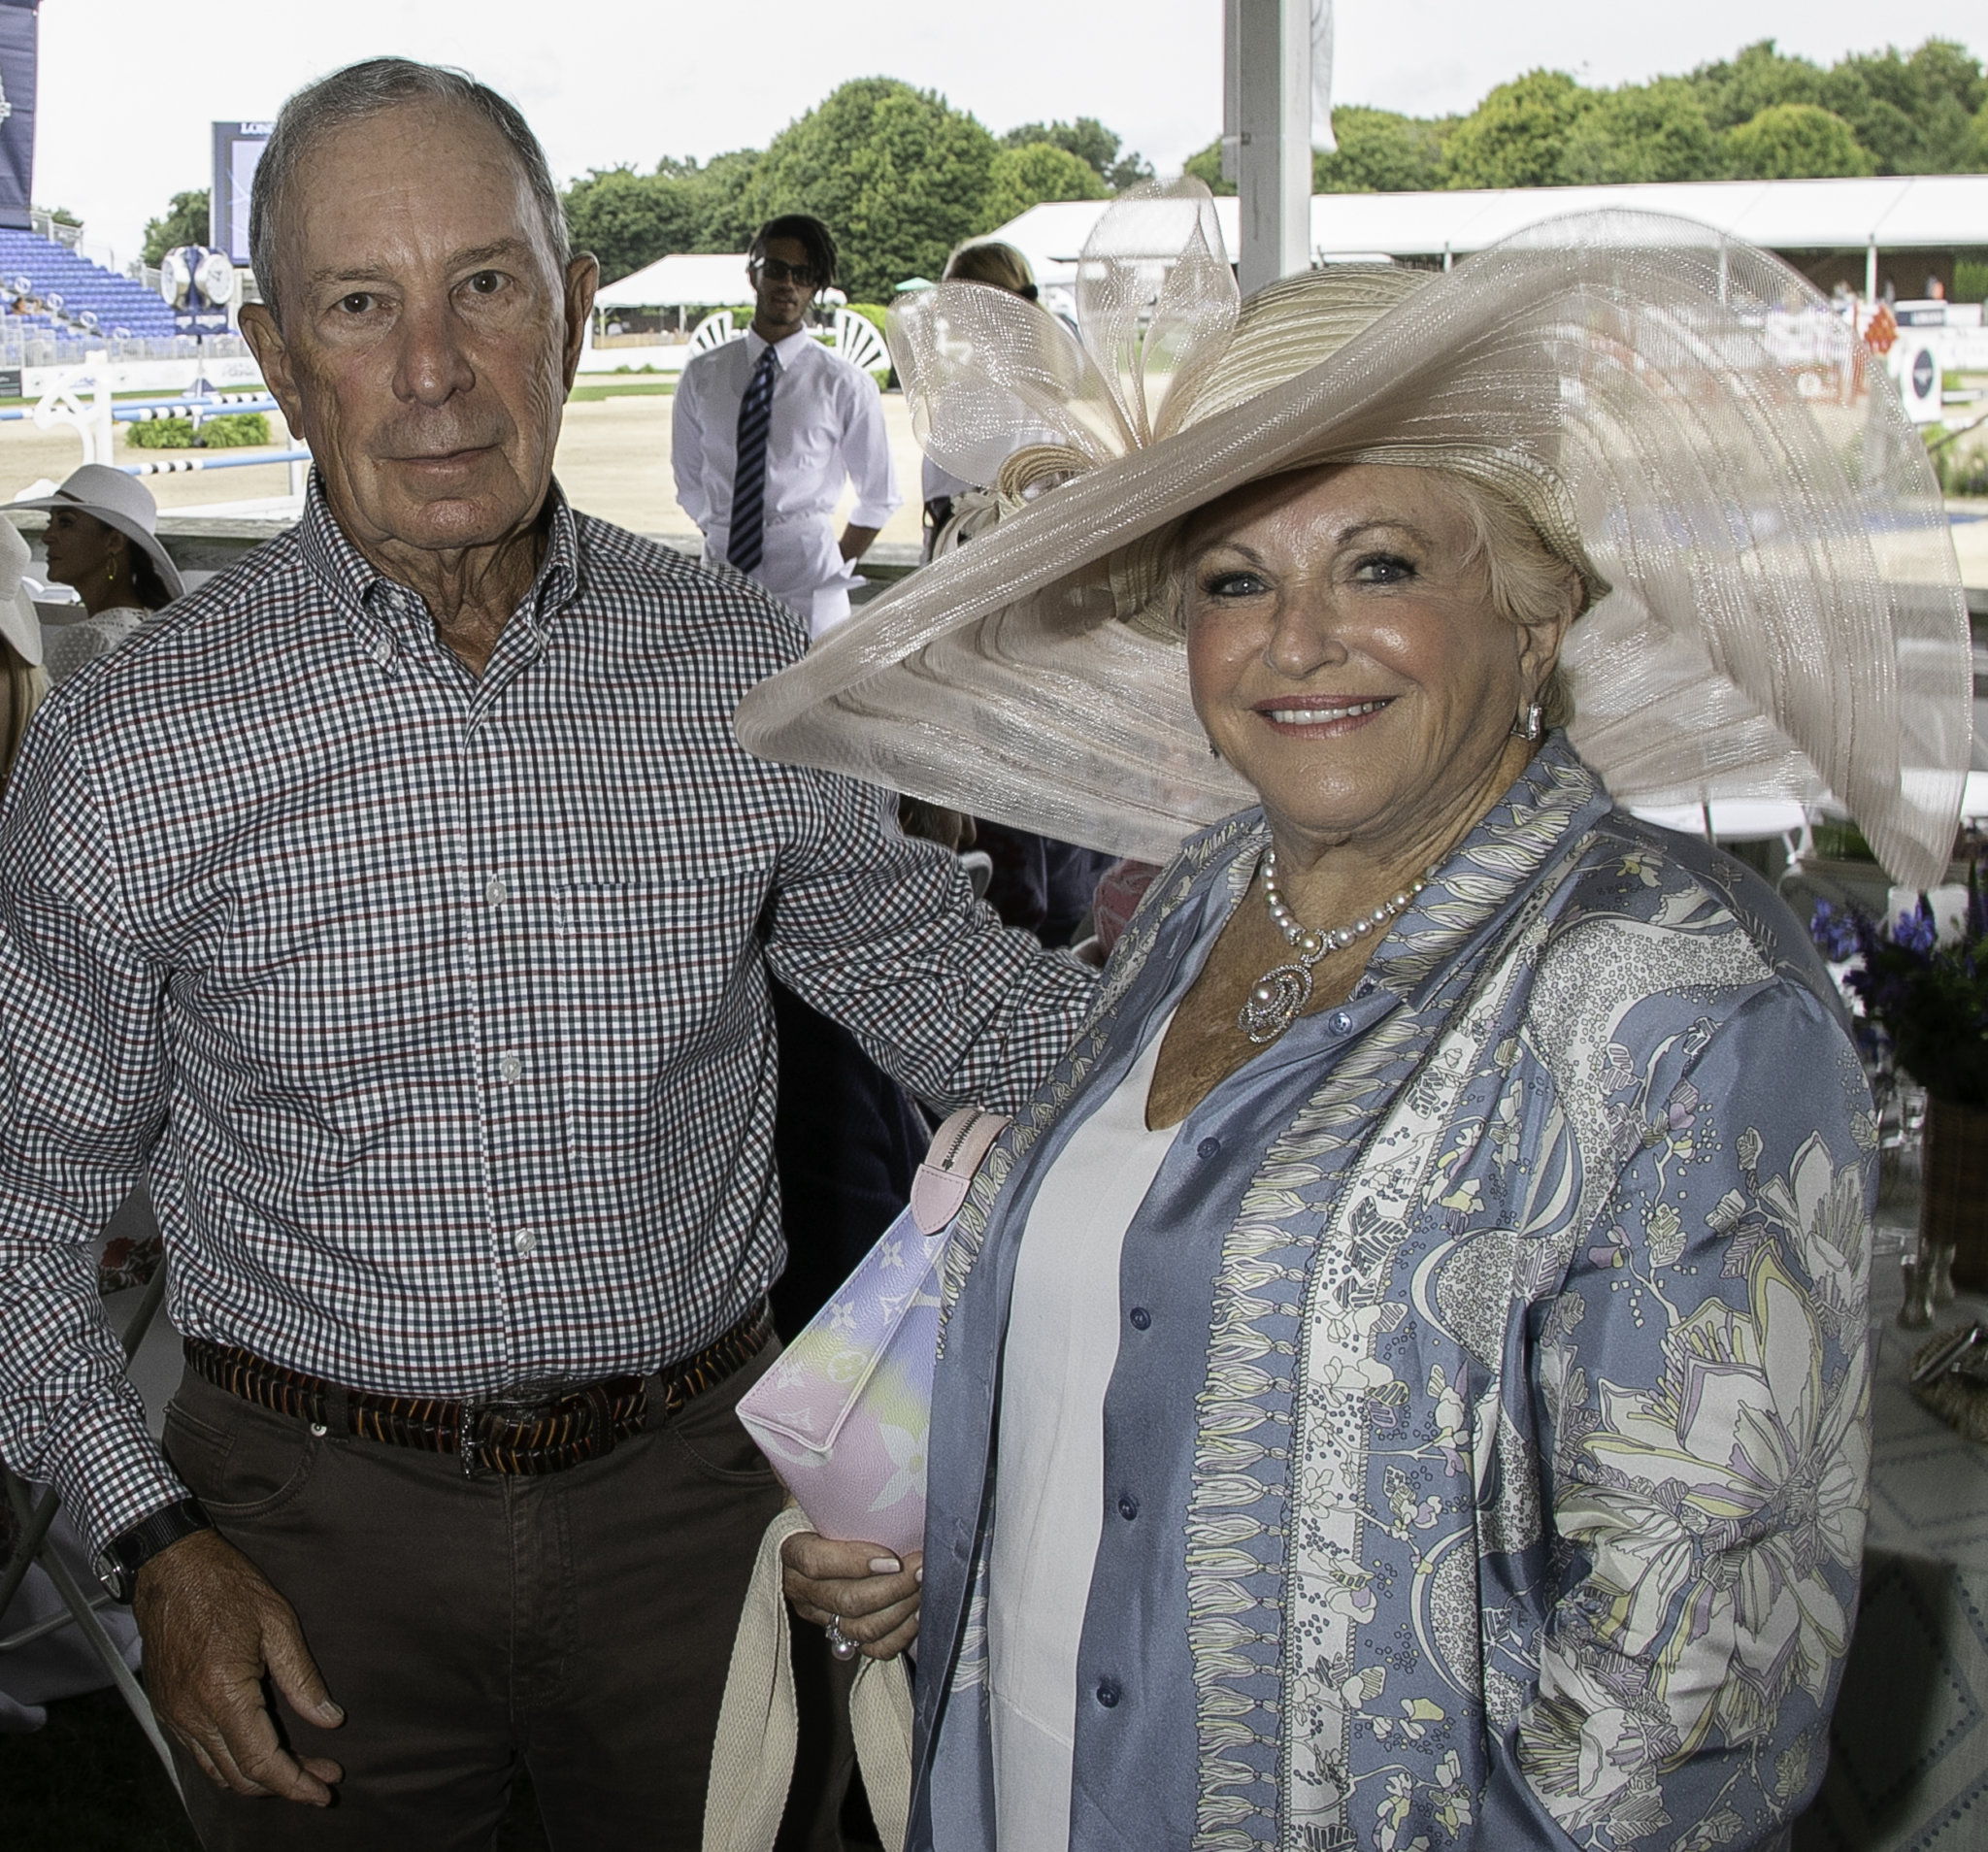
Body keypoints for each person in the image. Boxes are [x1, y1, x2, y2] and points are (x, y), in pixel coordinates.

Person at [742, 189, 1971, 1848]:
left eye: (1379, 563)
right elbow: (1144, 1352)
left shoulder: (1669, 1000)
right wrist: (932, 1530)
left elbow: (1684, 1728)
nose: (1296, 638)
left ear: (1535, 609)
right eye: (1235, 577)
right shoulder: (1200, 896)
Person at [0, 58, 1093, 1851]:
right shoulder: (134, 745)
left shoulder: (733, 664)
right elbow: (22, 1227)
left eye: (485, 286)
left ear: (573, 312)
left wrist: (1278, 1016)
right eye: (362, 304)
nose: (431, 369)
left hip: (699, 1514)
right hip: (301, 1535)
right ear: (281, 357)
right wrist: (155, 1542)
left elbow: (962, 995)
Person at [673, 214, 898, 639]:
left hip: (810, 584)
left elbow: (879, 496)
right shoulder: (703, 375)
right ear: (753, 273)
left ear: (816, 286)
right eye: (776, 269)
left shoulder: (844, 384)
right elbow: (689, 480)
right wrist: (726, 528)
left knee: (808, 704)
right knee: (723, 701)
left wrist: (831, 566)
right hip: (721, 581)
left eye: (804, 274)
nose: (788, 284)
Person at [12, 464, 184, 684]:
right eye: (50, 522)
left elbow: (46, 717)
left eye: (65, 523)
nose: (47, 536)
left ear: (114, 541)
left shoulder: (89, 639)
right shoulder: (152, 624)